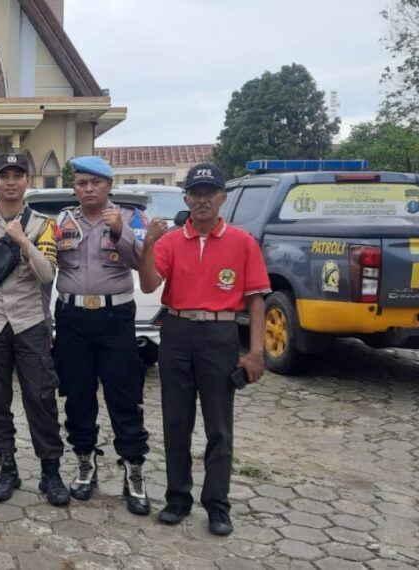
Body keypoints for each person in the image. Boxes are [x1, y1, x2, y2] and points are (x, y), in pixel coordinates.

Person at [138, 162, 269, 536]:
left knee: (219, 426)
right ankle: (178, 498)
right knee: (176, 421)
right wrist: (148, 245)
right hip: (177, 332)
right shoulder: (170, 241)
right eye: (195, 193)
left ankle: (217, 504)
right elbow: (149, 286)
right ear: (186, 199)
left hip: (220, 335)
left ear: (222, 197)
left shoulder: (242, 242)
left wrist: (256, 352)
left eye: (209, 192)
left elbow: (257, 300)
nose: (202, 200)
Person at [0, 153, 70, 506]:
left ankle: (50, 471)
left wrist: (23, 242)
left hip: (29, 322)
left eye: (18, 175)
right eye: (4, 175)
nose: (11, 181)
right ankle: (6, 466)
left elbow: (47, 275)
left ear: (29, 180)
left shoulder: (43, 225)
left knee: (41, 397)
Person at [52, 155, 151, 515]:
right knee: (77, 395)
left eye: (95, 182)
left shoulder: (131, 219)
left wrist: (120, 233)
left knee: (123, 395)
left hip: (115, 317)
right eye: (81, 183)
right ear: (75, 187)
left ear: (109, 185)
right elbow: (49, 263)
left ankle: (134, 471)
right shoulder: (62, 221)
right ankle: (84, 463)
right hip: (72, 317)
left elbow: (143, 263)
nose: (88, 189)